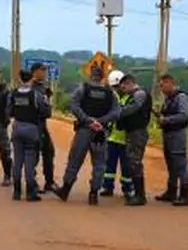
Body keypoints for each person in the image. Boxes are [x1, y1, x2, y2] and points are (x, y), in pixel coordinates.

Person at [54, 63, 122, 205]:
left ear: (91, 75)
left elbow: (74, 106)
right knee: (99, 163)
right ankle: (93, 194)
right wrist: (100, 122)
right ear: (102, 77)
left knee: (75, 160)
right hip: (100, 131)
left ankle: (65, 190)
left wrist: (88, 120)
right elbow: (116, 112)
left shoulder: (83, 89)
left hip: (84, 130)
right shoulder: (110, 94)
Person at [7, 68, 51, 201]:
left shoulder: (13, 94)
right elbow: (46, 112)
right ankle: (31, 192)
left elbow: (9, 111)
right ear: (31, 79)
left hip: (17, 127)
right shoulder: (36, 95)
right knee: (30, 161)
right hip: (32, 128)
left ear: (20, 79)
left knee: (18, 161)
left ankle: (16, 191)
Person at [153, 74, 188, 206]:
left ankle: (184, 195)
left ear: (169, 83)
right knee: (171, 165)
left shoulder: (181, 97)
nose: (161, 88)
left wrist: (167, 120)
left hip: (177, 135)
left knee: (180, 165)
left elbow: (184, 115)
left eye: (162, 85)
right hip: (168, 134)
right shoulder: (168, 99)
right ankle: (171, 191)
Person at [112, 72, 150, 206]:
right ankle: (138, 194)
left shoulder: (139, 94)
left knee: (135, 162)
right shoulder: (133, 95)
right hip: (132, 132)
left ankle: (140, 195)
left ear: (129, 83)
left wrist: (118, 112)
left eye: (123, 88)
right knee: (132, 161)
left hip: (137, 132)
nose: (122, 91)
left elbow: (132, 108)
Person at [100, 70, 134, 198]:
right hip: (112, 137)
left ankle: (127, 189)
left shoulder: (131, 98)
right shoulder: (112, 98)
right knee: (109, 165)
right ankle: (108, 187)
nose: (116, 89)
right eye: (113, 87)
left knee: (126, 167)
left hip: (126, 138)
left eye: (117, 86)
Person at [30, 63, 57, 192]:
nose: (45, 73)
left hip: (42, 125)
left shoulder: (43, 88)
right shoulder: (31, 88)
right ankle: (32, 183)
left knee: (49, 152)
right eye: (43, 70)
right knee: (33, 155)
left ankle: (49, 182)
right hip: (34, 125)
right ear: (35, 72)